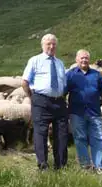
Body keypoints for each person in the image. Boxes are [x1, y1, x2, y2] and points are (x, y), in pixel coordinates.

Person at [22, 34, 68, 171]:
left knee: (61, 133)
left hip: (59, 102)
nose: (52, 46)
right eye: (48, 44)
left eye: (54, 44)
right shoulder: (35, 61)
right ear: (42, 45)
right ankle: (43, 165)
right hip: (41, 100)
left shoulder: (60, 63)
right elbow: (24, 82)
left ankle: (60, 165)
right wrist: (32, 97)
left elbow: (63, 84)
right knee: (41, 133)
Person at [66, 49, 102, 174]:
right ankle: (85, 166)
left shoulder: (96, 74)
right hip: (76, 112)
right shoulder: (70, 75)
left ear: (89, 60)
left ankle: (99, 167)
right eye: (82, 58)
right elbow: (64, 92)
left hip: (94, 112)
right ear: (76, 60)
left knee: (98, 138)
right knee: (80, 138)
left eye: (86, 58)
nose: (84, 60)